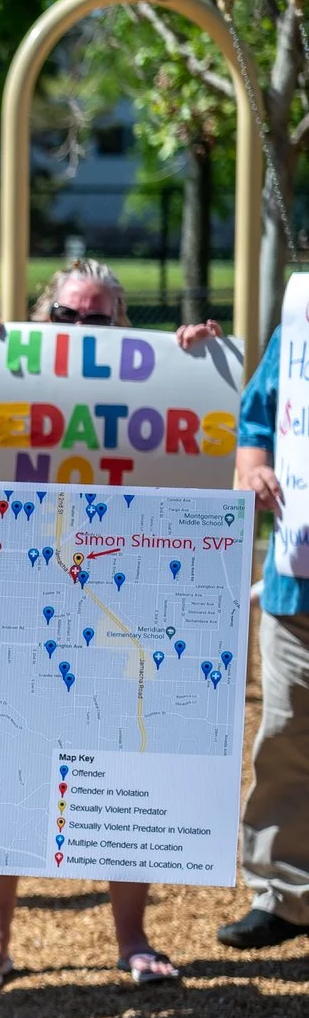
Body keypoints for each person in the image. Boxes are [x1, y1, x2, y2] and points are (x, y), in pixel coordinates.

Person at [0, 258, 219, 986]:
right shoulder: (6, 366)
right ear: (45, 318)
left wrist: (194, 360)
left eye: (96, 319)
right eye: (67, 317)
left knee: (124, 762)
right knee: (5, 766)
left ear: (120, 328)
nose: (79, 330)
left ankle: (131, 938)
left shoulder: (156, 380)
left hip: (119, 598)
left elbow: (197, 443)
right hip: (17, 594)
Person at [213, 312, 303, 955]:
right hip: (297, 585)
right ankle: (284, 897)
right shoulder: (302, 322)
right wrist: (252, 467)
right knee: (284, 736)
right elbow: (256, 417)